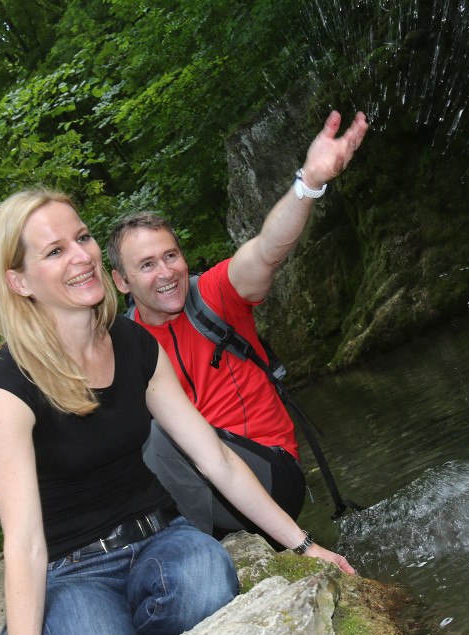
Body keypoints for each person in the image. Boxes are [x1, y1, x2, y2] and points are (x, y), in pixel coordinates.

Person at [0, 189, 353, 635]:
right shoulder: (9, 383)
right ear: (19, 282)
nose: (81, 256)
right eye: (55, 251)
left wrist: (305, 545)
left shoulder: (136, 344)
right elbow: (22, 544)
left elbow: (214, 457)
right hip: (74, 568)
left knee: (208, 580)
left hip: (160, 539)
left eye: (82, 238)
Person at [106, 110, 369, 536]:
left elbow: (266, 250)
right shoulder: (122, 344)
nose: (166, 272)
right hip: (196, 486)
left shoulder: (214, 295)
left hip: (270, 476)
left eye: (171, 256)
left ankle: (177, 539)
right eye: (147, 264)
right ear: (121, 281)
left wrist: (309, 184)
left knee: (157, 438)